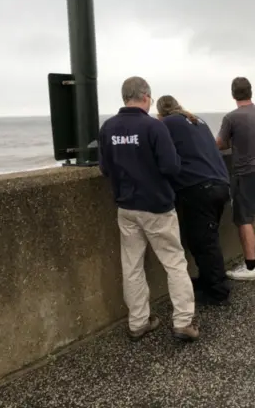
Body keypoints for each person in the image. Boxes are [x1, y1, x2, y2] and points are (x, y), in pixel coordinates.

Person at [98, 76, 198, 342]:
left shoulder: (108, 128)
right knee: (174, 262)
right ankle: (183, 322)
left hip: (126, 207)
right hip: (156, 206)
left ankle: (138, 322)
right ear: (145, 97)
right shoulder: (153, 127)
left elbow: (105, 169)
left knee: (131, 265)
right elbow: (171, 167)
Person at [156, 95, 232, 306]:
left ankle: (218, 290)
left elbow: (159, 152)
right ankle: (208, 280)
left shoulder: (166, 123)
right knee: (205, 238)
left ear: (160, 112)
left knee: (204, 242)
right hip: (220, 183)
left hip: (199, 188)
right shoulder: (197, 120)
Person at [216, 77, 255, 281]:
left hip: (247, 173)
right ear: (250, 92)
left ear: (233, 94)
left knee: (244, 220)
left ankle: (250, 267)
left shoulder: (231, 118)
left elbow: (220, 144)